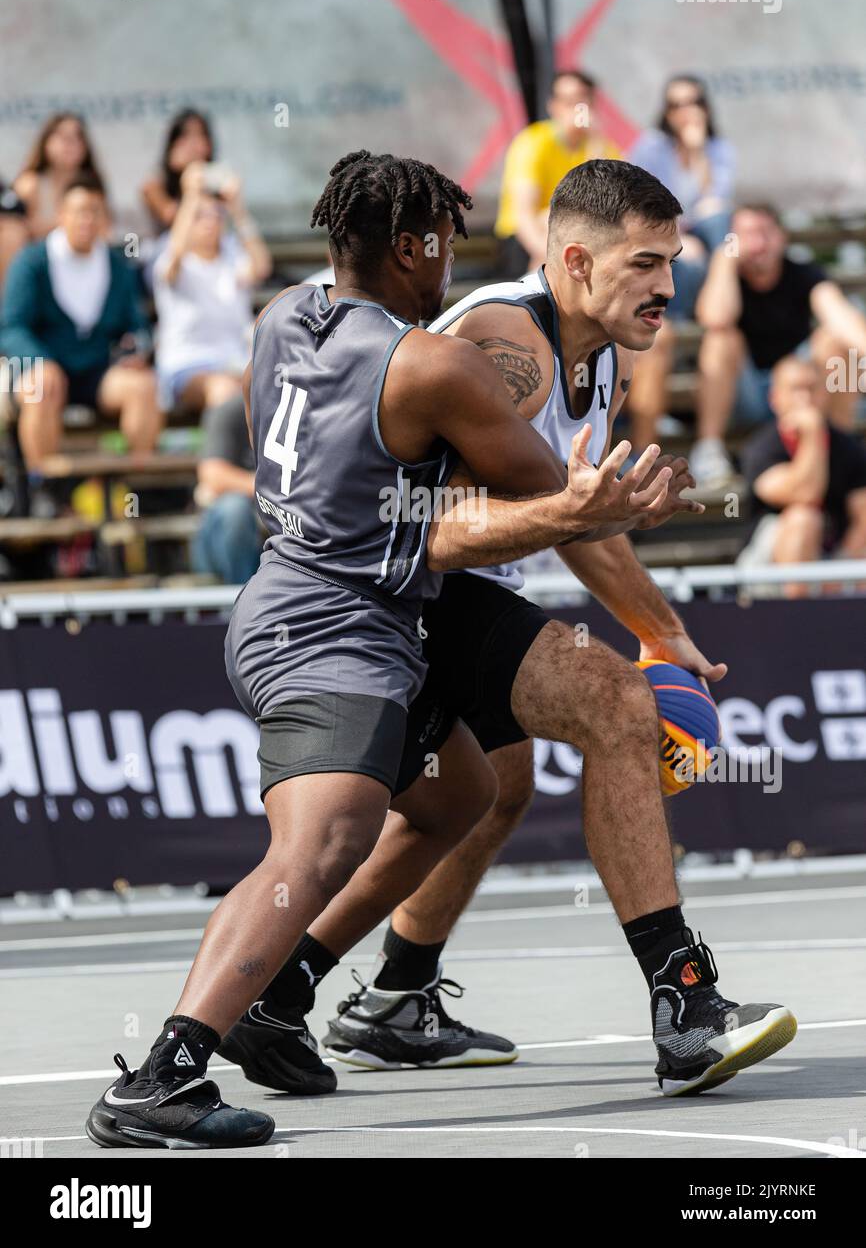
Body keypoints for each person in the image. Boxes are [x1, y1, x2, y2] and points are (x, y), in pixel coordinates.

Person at [85, 150, 673, 1150]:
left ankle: (286, 996)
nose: (453, 260)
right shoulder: (433, 363)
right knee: (320, 843)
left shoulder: (280, 316)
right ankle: (163, 1071)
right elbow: (548, 499)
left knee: (460, 794)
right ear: (407, 247)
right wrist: (596, 505)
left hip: (293, 598)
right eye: (443, 241)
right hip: (333, 629)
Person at [218, 160, 796, 1100]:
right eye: (647, 263)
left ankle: (359, 996)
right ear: (574, 259)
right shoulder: (508, 346)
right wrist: (593, 551)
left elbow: (575, 518)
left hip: (418, 594)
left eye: (675, 262)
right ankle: (685, 1007)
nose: (669, 285)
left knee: (492, 792)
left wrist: (665, 630)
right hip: (391, 595)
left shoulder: (595, 352)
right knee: (612, 706)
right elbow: (422, 525)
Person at [0, 175, 160, 517]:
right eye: (78, 211)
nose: (86, 220)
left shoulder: (117, 265)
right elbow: (11, 325)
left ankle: (128, 493)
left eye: (94, 212)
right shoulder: (32, 262)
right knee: (42, 386)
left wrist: (137, 347)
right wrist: (39, 360)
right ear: (61, 215)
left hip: (97, 372)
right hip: (46, 372)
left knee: (143, 387)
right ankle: (44, 488)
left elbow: (137, 325)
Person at [691, 203, 866, 487]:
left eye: (765, 233)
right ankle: (709, 448)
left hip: (802, 387)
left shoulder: (803, 273)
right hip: (747, 394)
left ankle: (838, 445)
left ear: (781, 237)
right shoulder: (726, 274)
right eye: (747, 234)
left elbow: (839, 316)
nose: (758, 243)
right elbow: (715, 317)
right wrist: (725, 260)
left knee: (835, 341)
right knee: (721, 337)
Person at [628, 75, 735, 451]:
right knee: (692, 250)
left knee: (722, 224)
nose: (686, 111)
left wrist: (697, 152)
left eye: (693, 102)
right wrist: (679, 235)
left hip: (701, 238)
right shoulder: (651, 147)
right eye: (676, 104)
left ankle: (705, 303)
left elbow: (714, 199)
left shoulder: (718, 149)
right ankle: (693, 307)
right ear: (666, 111)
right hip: (663, 233)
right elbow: (644, 203)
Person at [738, 354, 866, 595]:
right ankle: (799, 615)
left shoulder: (848, 446)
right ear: (775, 398)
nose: (805, 399)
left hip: (830, 558)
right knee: (804, 519)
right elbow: (806, 493)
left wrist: (837, 580)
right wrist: (813, 435)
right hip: (767, 568)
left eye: (812, 389)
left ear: (825, 394)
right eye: (796, 389)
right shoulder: (761, 447)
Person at [152, 161, 271, 414]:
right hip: (186, 366)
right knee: (226, 390)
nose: (209, 223)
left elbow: (262, 267)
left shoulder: (232, 255)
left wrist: (237, 208)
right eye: (199, 217)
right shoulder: (173, 258)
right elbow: (172, 262)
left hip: (236, 363)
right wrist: (191, 197)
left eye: (216, 215)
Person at [494, 69, 621, 277]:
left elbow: (609, 205)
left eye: (582, 100)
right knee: (551, 218)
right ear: (553, 106)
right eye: (568, 101)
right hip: (527, 239)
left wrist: (595, 146)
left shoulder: (602, 146)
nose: (576, 108)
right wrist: (547, 256)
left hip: (579, 237)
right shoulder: (534, 142)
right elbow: (524, 215)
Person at [192, 391, 262, 585]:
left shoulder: (304, 408)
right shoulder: (230, 410)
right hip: (220, 533)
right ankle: (243, 600)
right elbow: (213, 475)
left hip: (280, 519)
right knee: (234, 509)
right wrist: (272, 488)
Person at [13, 113, 105, 239]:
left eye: (78, 137)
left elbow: (105, 229)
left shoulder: (92, 183)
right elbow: (17, 231)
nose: (72, 144)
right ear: (47, 143)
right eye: (64, 138)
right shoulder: (29, 185)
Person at [140, 108, 215, 232]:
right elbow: (170, 216)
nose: (193, 145)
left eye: (199, 135)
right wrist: (187, 175)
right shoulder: (154, 184)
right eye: (185, 136)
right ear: (173, 144)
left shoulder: (215, 180)